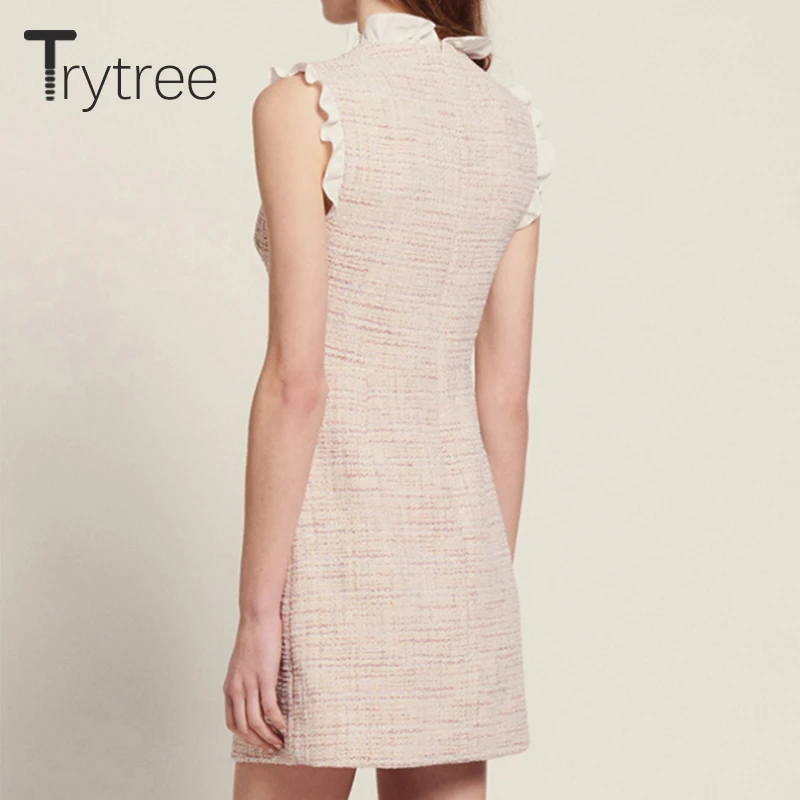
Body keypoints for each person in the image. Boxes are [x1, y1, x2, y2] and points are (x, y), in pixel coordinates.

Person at [222, 1, 554, 797]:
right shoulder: (511, 124)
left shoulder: (304, 105)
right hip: (462, 553)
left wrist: (259, 614)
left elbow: (297, 383)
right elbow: (506, 396)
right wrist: (479, 589)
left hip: (328, 550)